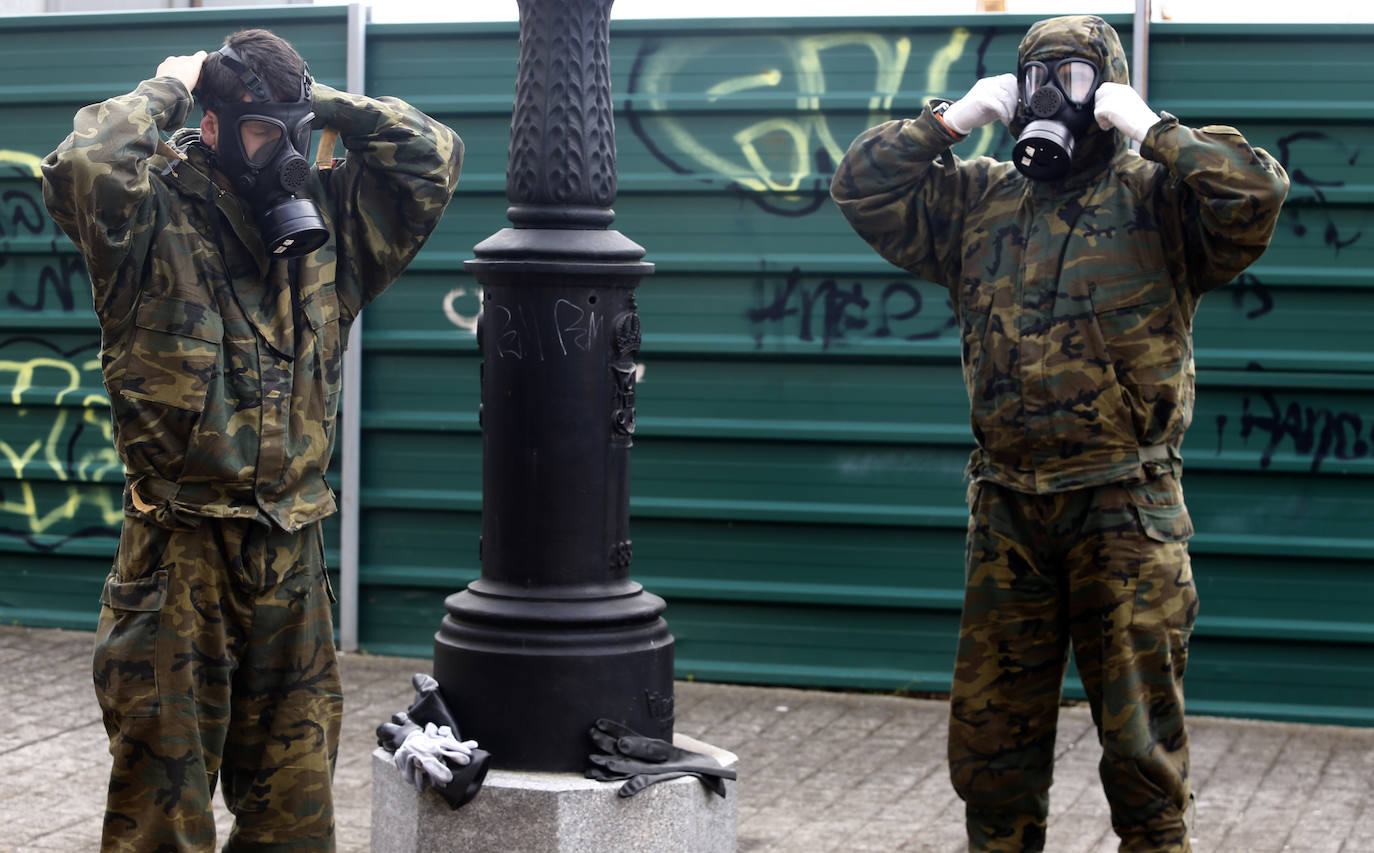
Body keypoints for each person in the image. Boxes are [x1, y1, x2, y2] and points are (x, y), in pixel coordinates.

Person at [830, 15, 1287, 853]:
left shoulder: (1160, 199)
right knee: (992, 750)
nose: (1055, 92)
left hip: (1126, 505)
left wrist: (1148, 126)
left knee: (1143, 755)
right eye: (1038, 74)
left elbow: (1253, 193)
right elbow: (861, 187)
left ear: (1106, 86)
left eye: (1074, 76)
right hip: (1010, 509)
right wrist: (950, 119)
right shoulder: (975, 198)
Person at [42, 28, 462, 852]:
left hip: (292, 562)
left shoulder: (328, 230)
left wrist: (319, 102)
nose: (285, 154)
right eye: (264, 133)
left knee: (296, 823)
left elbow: (434, 158)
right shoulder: (148, 220)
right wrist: (171, 83)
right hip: (178, 560)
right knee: (162, 821)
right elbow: (82, 165)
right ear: (212, 129)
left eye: (295, 133)